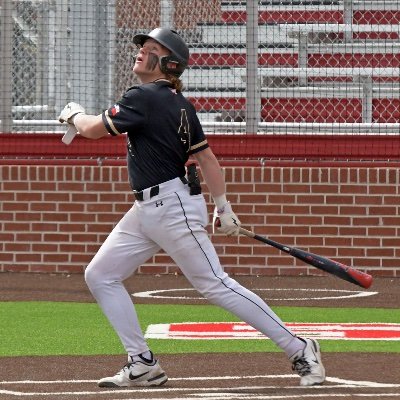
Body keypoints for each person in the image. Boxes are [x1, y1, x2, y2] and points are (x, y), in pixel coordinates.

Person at [58, 27, 325, 388]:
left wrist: (74, 115)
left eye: (151, 49)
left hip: (171, 206)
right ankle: (142, 362)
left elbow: (91, 130)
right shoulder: (179, 103)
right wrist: (222, 206)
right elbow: (207, 159)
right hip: (150, 209)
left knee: (214, 284)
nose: (140, 52)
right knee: (100, 275)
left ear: (168, 63)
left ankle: (300, 348)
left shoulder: (146, 96)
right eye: (143, 47)